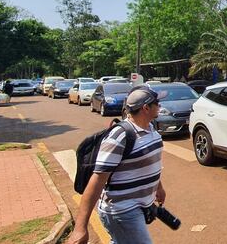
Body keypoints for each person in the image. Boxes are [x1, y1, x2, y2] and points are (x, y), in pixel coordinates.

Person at [68, 86, 168, 244]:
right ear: (146, 108)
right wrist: (80, 227)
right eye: (157, 103)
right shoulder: (120, 136)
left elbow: (148, 164)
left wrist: (158, 187)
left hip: (139, 206)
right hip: (122, 210)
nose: (160, 105)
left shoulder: (151, 128)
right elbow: (97, 180)